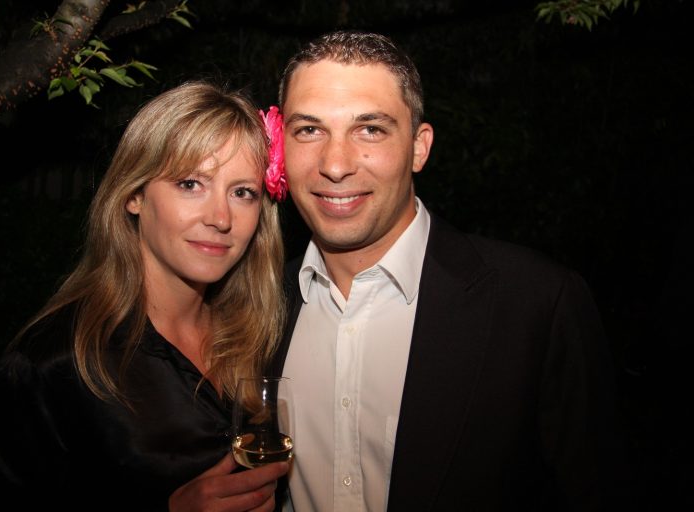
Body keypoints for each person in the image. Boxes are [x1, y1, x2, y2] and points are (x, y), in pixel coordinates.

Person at [271, 31, 632, 511]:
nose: (335, 165)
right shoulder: (259, 306)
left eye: (370, 129)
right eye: (309, 130)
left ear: (419, 147)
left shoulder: (537, 305)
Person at [0, 81, 289, 511]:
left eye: (243, 192)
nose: (221, 218)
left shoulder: (259, 338)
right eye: (190, 184)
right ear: (134, 195)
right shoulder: (57, 362)